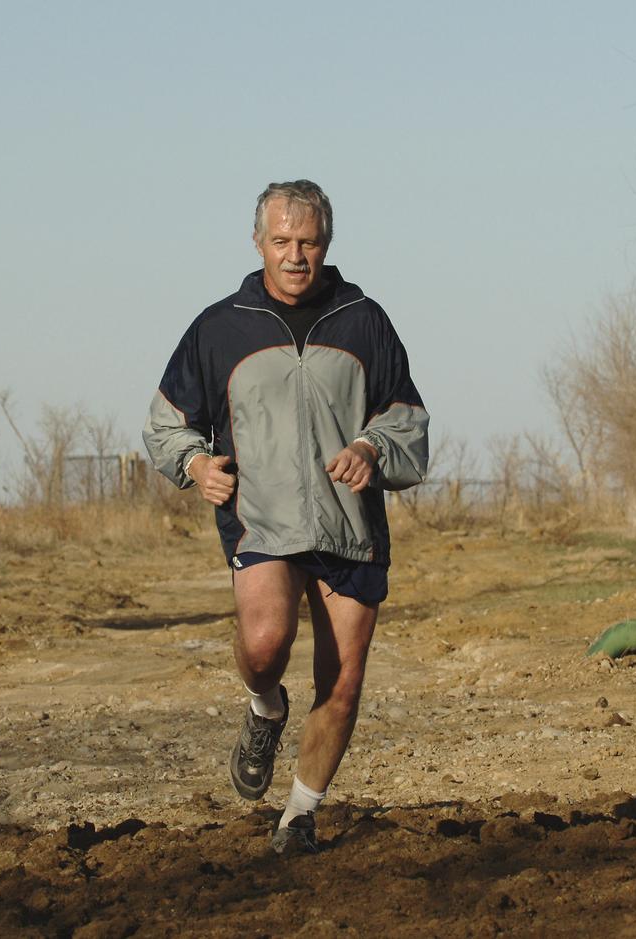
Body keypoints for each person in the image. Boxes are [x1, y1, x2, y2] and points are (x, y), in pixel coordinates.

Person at [144, 179, 429, 855]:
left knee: (342, 680)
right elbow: (167, 423)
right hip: (261, 521)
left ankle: (300, 813)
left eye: (308, 242)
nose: (295, 255)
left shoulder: (365, 320)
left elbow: (407, 419)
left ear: (326, 243)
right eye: (282, 241)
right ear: (258, 242)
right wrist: (194, 465)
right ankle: (264, 704)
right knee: (267, 642)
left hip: (349, 528)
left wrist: (371, 447)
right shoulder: (219, 327)